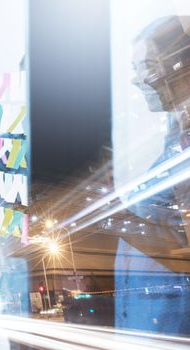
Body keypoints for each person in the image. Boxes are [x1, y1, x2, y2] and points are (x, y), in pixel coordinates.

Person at [115, 15, 190, 335]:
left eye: (146, 64)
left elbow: (181, 244)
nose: (136, 79)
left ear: (179, 64)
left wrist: (114, 220)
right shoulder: (174, 139)